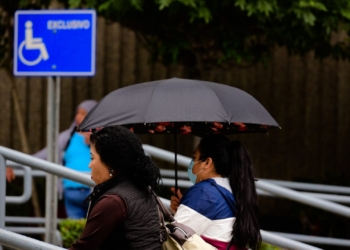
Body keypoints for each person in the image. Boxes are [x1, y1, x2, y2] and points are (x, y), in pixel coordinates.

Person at [69, 126, 162, 250]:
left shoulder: (113, 201)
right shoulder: (141, 186)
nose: (89, 165)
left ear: (109, 162)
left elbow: (84, 247)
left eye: (92, 158)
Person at [6, 100, 97, 219]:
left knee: (96, 231)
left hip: (96, 191)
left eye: (84, 113)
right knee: (76, 231)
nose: (79, 117)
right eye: (77, 113)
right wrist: (12, 164)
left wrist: (96, 140)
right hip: (71, 191)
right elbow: (42, 156)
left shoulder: (103, 137)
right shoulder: (67, 137)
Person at [170, 134, 261, 250]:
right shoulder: (232, 189)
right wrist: (185, 206)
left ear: (207, 163)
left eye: (195, 158)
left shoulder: (204, 193)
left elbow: (174, 239)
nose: (192, 165)